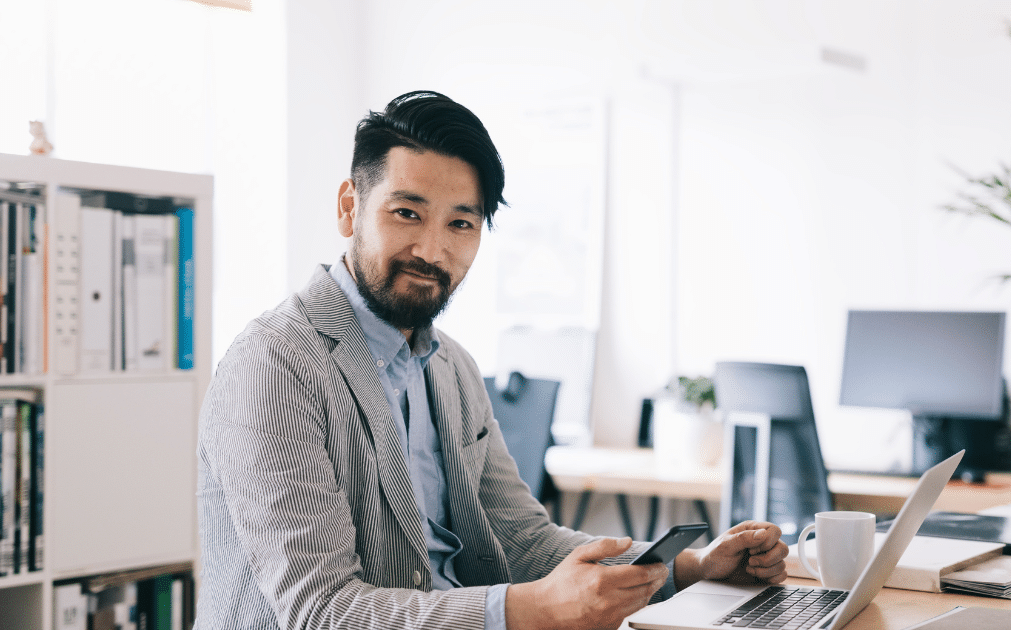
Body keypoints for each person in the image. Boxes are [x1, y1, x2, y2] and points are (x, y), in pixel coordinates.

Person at [196, 90, 788, 630]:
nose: (433, 250)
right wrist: (534, 608)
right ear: (351, 207)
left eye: (461, 223)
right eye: (407, 213)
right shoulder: (274, 365)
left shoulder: (450, 367)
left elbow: (525, 540)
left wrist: (691, 567)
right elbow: (320, 612)